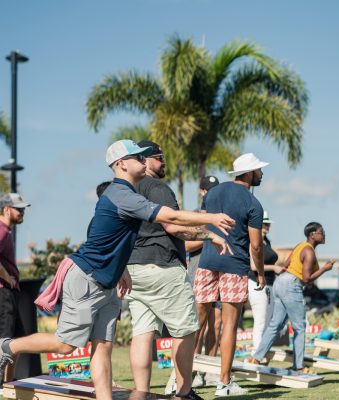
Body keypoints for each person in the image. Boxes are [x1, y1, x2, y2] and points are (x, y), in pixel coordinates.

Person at [0, 140, 235, 400]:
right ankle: (8, 346)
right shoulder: (120, 193)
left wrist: (120, 269)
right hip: (86, 278)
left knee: (103, 348)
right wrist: (211, 219)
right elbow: (170, 217)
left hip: (109, 281)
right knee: (65, 345)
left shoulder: (129, 194)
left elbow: (114, 238)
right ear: (122, 164)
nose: (144, 161)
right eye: (137, 157)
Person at [125, 140, 231, 398]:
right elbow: (173, 226)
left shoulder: (128, 189)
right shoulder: (157, 188)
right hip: (163, 265)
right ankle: (183, 392)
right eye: (159, 158)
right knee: (185, 330)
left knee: (142, 332)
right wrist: (210, 234)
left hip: (134, 267)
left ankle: (141, 393)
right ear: (144, 160)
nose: (164, 162)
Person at [194, 153, 267, 397]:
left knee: (197, 323)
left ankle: (181, 378)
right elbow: (256, 246)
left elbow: (203, 226)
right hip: (234, 265)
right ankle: (224, 384)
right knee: (229, 326)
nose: (262, 174)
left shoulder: (212, 193)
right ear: (248, 173)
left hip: (206, 261)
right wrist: (260, 274)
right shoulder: (253, 203)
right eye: (258, 170)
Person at [248, 222, 334, 372]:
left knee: (275, 324)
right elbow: (307, 278)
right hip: (292, 285)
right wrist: (325, 269)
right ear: (312, 234)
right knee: (299, 327)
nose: (324, 234)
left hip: (280, 282)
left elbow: (287, 263)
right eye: (322, 232)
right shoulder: (309, 251)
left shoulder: (300, 245)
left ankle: (257, 357)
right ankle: (298, 366)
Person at [186, 175, 221, 388]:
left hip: (219, 274)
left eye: (215, 189)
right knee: (197, 325)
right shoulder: (194, 217)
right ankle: (192, 370)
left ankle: (210, 371)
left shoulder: (222, 216)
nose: (211, 193)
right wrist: (209, 235)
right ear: (201, 192)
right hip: (198, 274)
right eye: (208, 190)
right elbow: (186, 246)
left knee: (216, 324)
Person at [0, 193, 30, 388]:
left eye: (24, 209)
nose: (22, 213)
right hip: (3, 292)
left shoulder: (6, 231)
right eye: (19, 209)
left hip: (8, 292)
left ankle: (8, 384)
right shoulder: (1, 230)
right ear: (6, 209)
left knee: (16, 340)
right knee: (5, 340)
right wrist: (7, 278)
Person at [248, 211, 282, 351]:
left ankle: (263, 349)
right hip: (256, 283)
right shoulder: (253, 241)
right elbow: (253, 266)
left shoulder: (267, 242)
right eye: (264, 224)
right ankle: (257, 350)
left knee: (268, 320)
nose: (267, 226)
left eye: (268, 224)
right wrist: (274, 268)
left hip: (269, 284)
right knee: (260, 320)